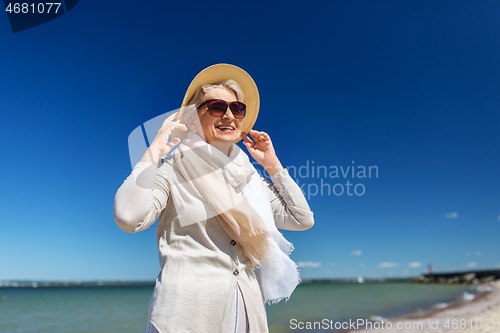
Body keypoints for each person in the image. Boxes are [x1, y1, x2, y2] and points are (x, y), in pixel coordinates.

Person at [113, 64, 314, 333]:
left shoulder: (250, 178)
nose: (229, 115)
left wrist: (273, 165)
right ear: (194, 119)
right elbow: (129, 216)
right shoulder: (173, 167)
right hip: (186, 315)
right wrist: (154, 150)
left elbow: (301, 219)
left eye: (237, 108)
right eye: (217, 107)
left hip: (247, 311)